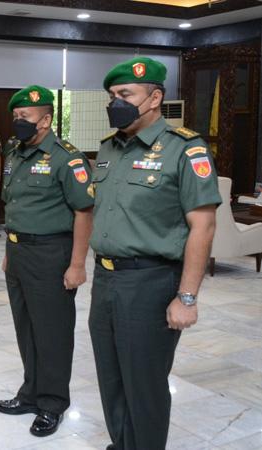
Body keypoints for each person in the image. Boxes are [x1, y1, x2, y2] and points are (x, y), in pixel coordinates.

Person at [89, 56, 220, 450]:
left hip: (150, 282)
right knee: (110, 377)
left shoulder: (185, 149)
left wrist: (187, 297)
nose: (117, 102)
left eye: (125, 94)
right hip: (105, 279)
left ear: (155, 97)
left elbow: (203, 226)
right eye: (112, 95)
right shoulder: (109, 148)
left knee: (143, 383)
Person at [0, 85, 94, 438]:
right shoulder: (16, 154)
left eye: (26, 117)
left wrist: (78, 264)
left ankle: (52, 403)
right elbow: (14, 207)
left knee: (51, 332)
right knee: (26, 328)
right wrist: (9, 254)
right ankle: (30, 393)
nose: (19, 122)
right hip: (19, 253)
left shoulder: (68, 157)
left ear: (47, 119)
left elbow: (84, 211)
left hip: (52, 255)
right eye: (16, 116)